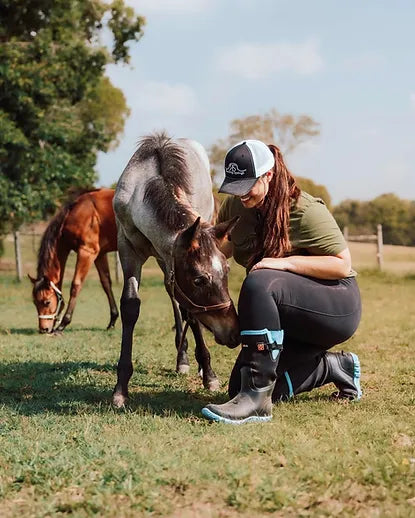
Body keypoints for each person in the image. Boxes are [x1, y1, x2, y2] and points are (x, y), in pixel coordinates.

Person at [201, 140, 362, 425]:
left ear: (268, 176)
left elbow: (342, 264)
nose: (240, 195)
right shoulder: (235, 208)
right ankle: (336, 368)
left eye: (247, 186)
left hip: (334, 307)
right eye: (235, 187)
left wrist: (284, 262)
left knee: (260, 280)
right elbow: (221, 254)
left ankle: (257, 403)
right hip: (284, 318)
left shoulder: (303, 209)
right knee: (237, 389)